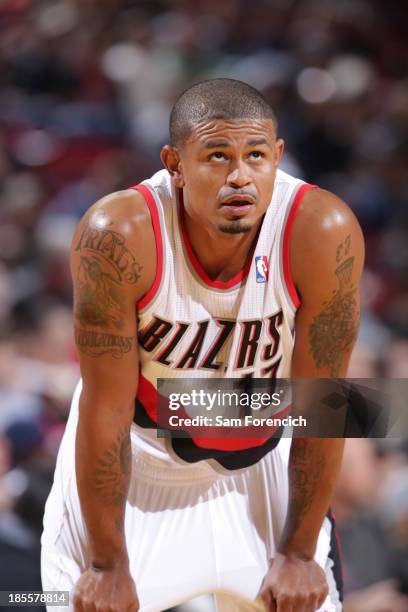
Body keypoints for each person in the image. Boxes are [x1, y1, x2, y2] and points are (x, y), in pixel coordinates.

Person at [41, 79, 364, 612]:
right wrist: (107, 564)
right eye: (217, 156)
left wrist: (301, 552)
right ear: (175, 164)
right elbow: (107, 408)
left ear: (278, 156)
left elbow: (322, 404)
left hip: (260, 461)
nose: (240, 176)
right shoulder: (119, 234)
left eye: (256, 156)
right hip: (140, 461)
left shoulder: (320, 230)